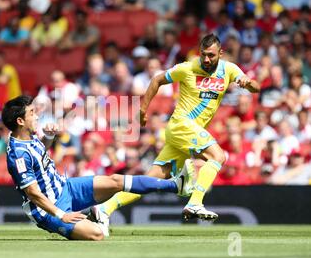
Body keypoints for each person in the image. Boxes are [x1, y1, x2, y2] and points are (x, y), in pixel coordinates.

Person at [95, 34, 261, 224]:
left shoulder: (230, 70)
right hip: (181, 124)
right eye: (203, 55)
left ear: (220, 54)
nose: (206, 60)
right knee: (218, 156)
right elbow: (157, 80)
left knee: (150, 181)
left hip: (184, 135)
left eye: (211, 56)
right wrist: (142, 110)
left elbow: (255, 88)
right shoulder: (188, 68)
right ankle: (196, 201)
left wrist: (247, 83)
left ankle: (103, 209)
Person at [2, 95, 194, 241]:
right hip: (49, 210)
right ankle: (94, 217)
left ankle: (176, 185)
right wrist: (62, 215)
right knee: (97, 235)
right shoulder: (17, 154)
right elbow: (33, 193)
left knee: (116, 180)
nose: (37, 116)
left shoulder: (29, 135)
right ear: (20, 121)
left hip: (66, 187)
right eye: (32, 113)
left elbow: (40, 153)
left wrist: (50, 138)